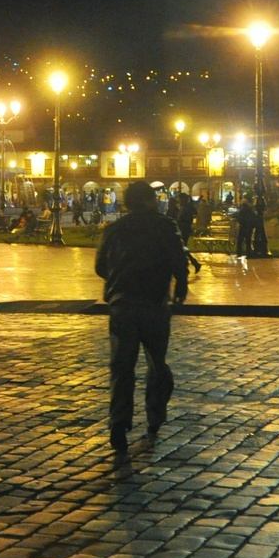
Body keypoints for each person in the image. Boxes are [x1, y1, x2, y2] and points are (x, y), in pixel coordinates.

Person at [95, 181, 189, 458]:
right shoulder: (165, 226)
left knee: (122, 366)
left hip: (122, 304)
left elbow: (100, 266)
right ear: (149, 200)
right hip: (154, 303)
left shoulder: (114, 229)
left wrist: (119, 279)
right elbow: (178, 261)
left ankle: (119, 423)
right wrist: (179, 287)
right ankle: (155, 415)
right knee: (156, 363)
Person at [174, 189, 202, 275]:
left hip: (184, 230)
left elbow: (184, 219)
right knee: (182, 248)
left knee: (181, 248)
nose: (178, 201)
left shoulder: (186, 208)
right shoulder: (185, 207)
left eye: (180, 199)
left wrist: (178, 222)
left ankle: (188, 266)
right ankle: (193, 263)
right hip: (183, 229)